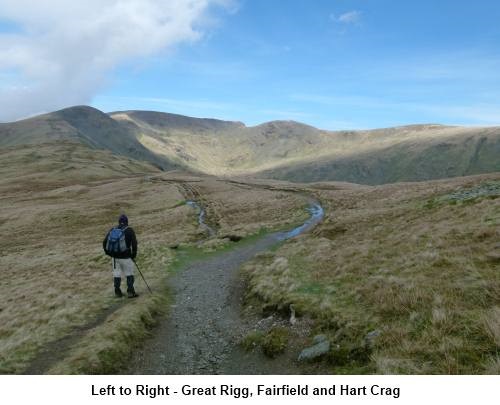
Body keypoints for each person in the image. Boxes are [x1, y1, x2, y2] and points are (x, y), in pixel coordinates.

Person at [103, 214, 139, 298]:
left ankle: (117, 292)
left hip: (115, 258)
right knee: (129, 273)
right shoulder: (130, 230)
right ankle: (130, 292)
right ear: (127, 222)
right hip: (126, 257)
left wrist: (108, 253)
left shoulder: (113, 230)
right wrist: (133, 255)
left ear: (119, 222)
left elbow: (104, 242)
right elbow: (134, 244)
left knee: (116, 274)